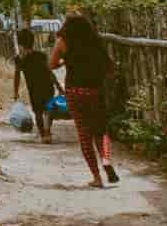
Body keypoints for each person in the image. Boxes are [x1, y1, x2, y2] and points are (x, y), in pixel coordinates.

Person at [50, 13, 119, 188]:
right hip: (95, 90)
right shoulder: (95, 42)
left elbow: (51, 65)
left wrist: (66, 61)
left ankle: (96, 177)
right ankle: (105, 159)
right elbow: (110, 68)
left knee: (83, 133)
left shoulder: (62, 42)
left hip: (74, 91)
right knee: (100, 130)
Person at [12, 27, 60, 143]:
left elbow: (17, 76)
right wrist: (58, 86)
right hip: (47, 86)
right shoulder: (41, 55)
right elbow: (49, 71)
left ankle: (43, 134)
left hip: (33, 89)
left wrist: (15, 91)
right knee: (48, 110)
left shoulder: (19, 59)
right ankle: (48, 131)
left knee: (38, 111)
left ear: (19, 43)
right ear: (32, 42)